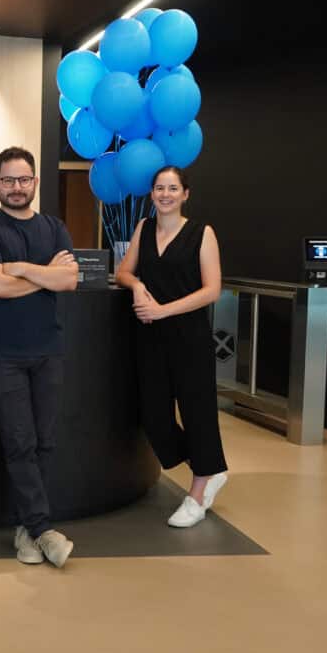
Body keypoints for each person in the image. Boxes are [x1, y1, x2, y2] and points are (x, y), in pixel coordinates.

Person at [0, 146, 79, 568]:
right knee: (20, 442)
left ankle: (26, 528)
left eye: (24, 180)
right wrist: (44, 273)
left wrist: (21, 268)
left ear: (34, 182)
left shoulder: (54, 227)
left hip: (48, 349)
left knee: (45, 442)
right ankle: (43, 529)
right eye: (8, 180)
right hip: (2, 354)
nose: (17, 187)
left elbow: (69, 280)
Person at [114, 165, 228, 528]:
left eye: (173, 188)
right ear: (151, 194)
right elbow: (123, 271)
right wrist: (137, 286)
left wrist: (163, 310)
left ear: (185, 194)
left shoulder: (201, 233)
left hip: (189, 337)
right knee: (154, 417)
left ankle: (197, 493)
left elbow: (211, 290)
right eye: (159, 188)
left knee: (198, 414)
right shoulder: (144, 229)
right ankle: (208, 467)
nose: (165, 194)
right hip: (150, 339)